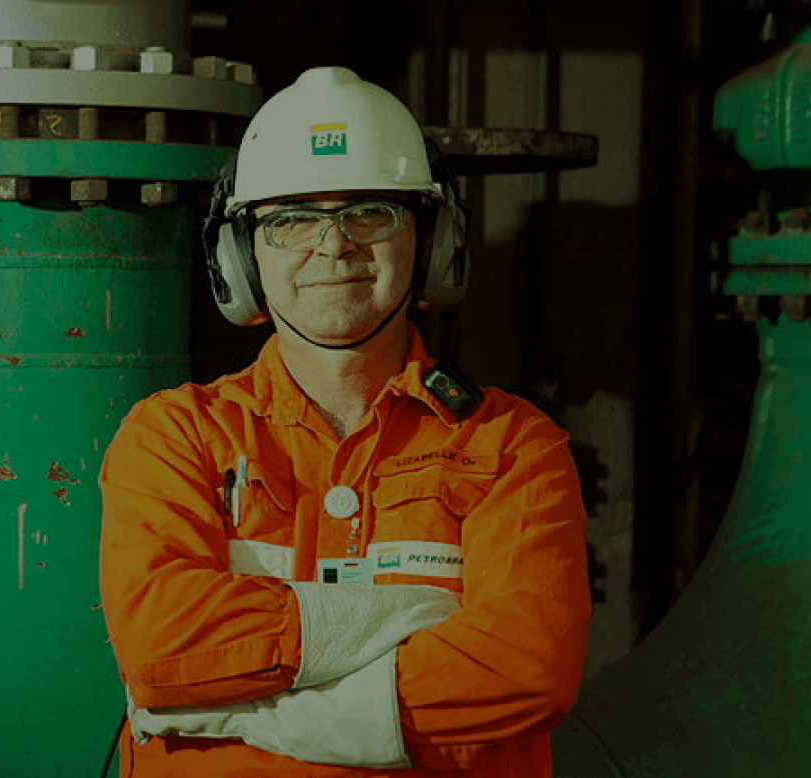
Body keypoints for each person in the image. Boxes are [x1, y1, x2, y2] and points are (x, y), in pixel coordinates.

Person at [98, 66, 591, 777]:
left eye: (370, 212)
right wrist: (411, 617)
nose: (333, 246)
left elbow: (531, 665)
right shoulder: (175, 439)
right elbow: (158, 644)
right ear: (241, 256)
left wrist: (245, 709)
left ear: (431, 240)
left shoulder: (512, 446)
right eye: (292, 218)